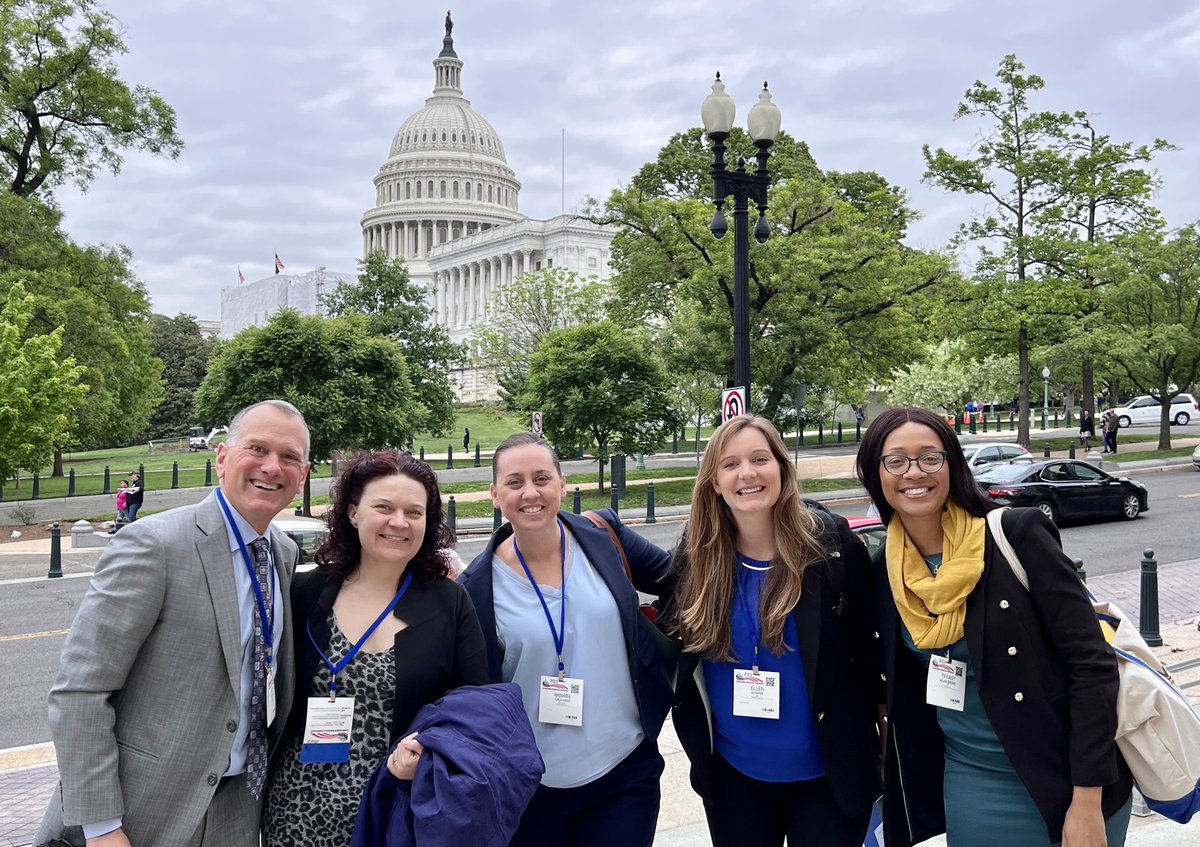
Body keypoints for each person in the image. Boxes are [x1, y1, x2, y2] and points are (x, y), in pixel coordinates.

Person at [854, 407, 1132, 847]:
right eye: (896, 460)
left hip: (1067, 775)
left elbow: (1091, 664)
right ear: (876, 473)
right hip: (970, 779)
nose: (914, 472)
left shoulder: (1014, 535)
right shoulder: (882, 572)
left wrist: (1087, 800)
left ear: (952, 464)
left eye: (930, 457)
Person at [37, 400, 310, 847]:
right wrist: (102, 827)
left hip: (236, 812)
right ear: (222, 458)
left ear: (303, 475)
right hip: (138, 813)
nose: (272, 467)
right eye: (257, 449)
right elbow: (80, 691)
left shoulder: (282, 551)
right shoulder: (153, 544)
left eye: (289, 457)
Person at [659, 415, 882, 847]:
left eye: (760, 459)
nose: (747, 473)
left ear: (782, 467)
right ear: (714, 483)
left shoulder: (831, 547)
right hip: (734, 782)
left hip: (830, 781)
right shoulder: (696, 560)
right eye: (730, 464)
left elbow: (872, 656)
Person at [459, 432, 674, 847]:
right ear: (495, 494)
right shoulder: (475, 590)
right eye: (514, 482)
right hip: (530, 789)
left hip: (625, 771)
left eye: (542, 478)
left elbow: (684, 581)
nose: (530, 493)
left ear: (561, 484)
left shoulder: (603, 537)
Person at [265, 451, 489, 846]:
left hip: (396, 816)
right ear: (353, 513)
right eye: (384, 507)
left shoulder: (449, 603)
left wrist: (426, 755)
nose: (399, 522)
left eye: (414, 512)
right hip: (296, 813)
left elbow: (473, 711)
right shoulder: (304, 593)